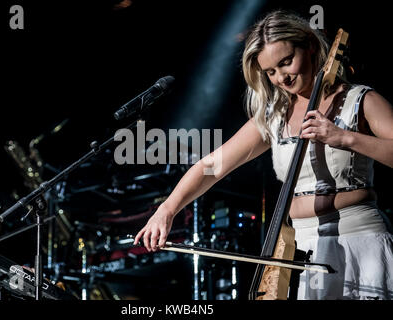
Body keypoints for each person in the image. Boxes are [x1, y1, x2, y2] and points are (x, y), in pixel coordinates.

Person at [134, 10, 393, 300]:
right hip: (304, 250)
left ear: (308, 46)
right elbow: (211, 166)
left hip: (360, 239)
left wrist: (343, 137)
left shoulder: (360, 99)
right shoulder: (275, 117)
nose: (281, 77)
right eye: (270, 72)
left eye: (286, 62)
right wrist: (166, 210)